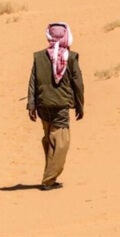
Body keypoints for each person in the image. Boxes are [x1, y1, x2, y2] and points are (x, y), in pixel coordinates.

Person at [26, 22, 84, 191]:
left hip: (42, 105)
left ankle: (49, 176)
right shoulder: (71, 58)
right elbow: (78, 84)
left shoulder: (39, 57)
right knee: (61, 143)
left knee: (50, 141)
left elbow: (32, 82)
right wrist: (80, 105)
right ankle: (49, 179)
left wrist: (31, 105)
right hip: (60, 107)